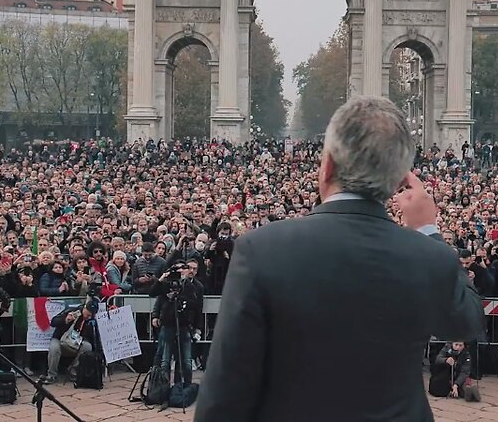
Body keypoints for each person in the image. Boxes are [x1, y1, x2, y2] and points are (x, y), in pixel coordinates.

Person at [195, 96, 483, 422]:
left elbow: (223, 397)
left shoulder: (261, 249)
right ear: (397, 179)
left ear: (328, 164)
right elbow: (467, 322)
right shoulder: (429, 256)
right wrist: (429, 230)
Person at [45, 298, 98, 384]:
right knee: (54, 347)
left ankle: (73, 371)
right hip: (61, 339)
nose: (87, 317)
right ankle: (52, 375)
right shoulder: (72, 311)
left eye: (90, 316)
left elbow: (92, 338)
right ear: (84, 308)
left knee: (87, 346)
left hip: (76, 344)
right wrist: (66, 320)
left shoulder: (91, 321)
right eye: (87, 314)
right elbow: (53, 322)